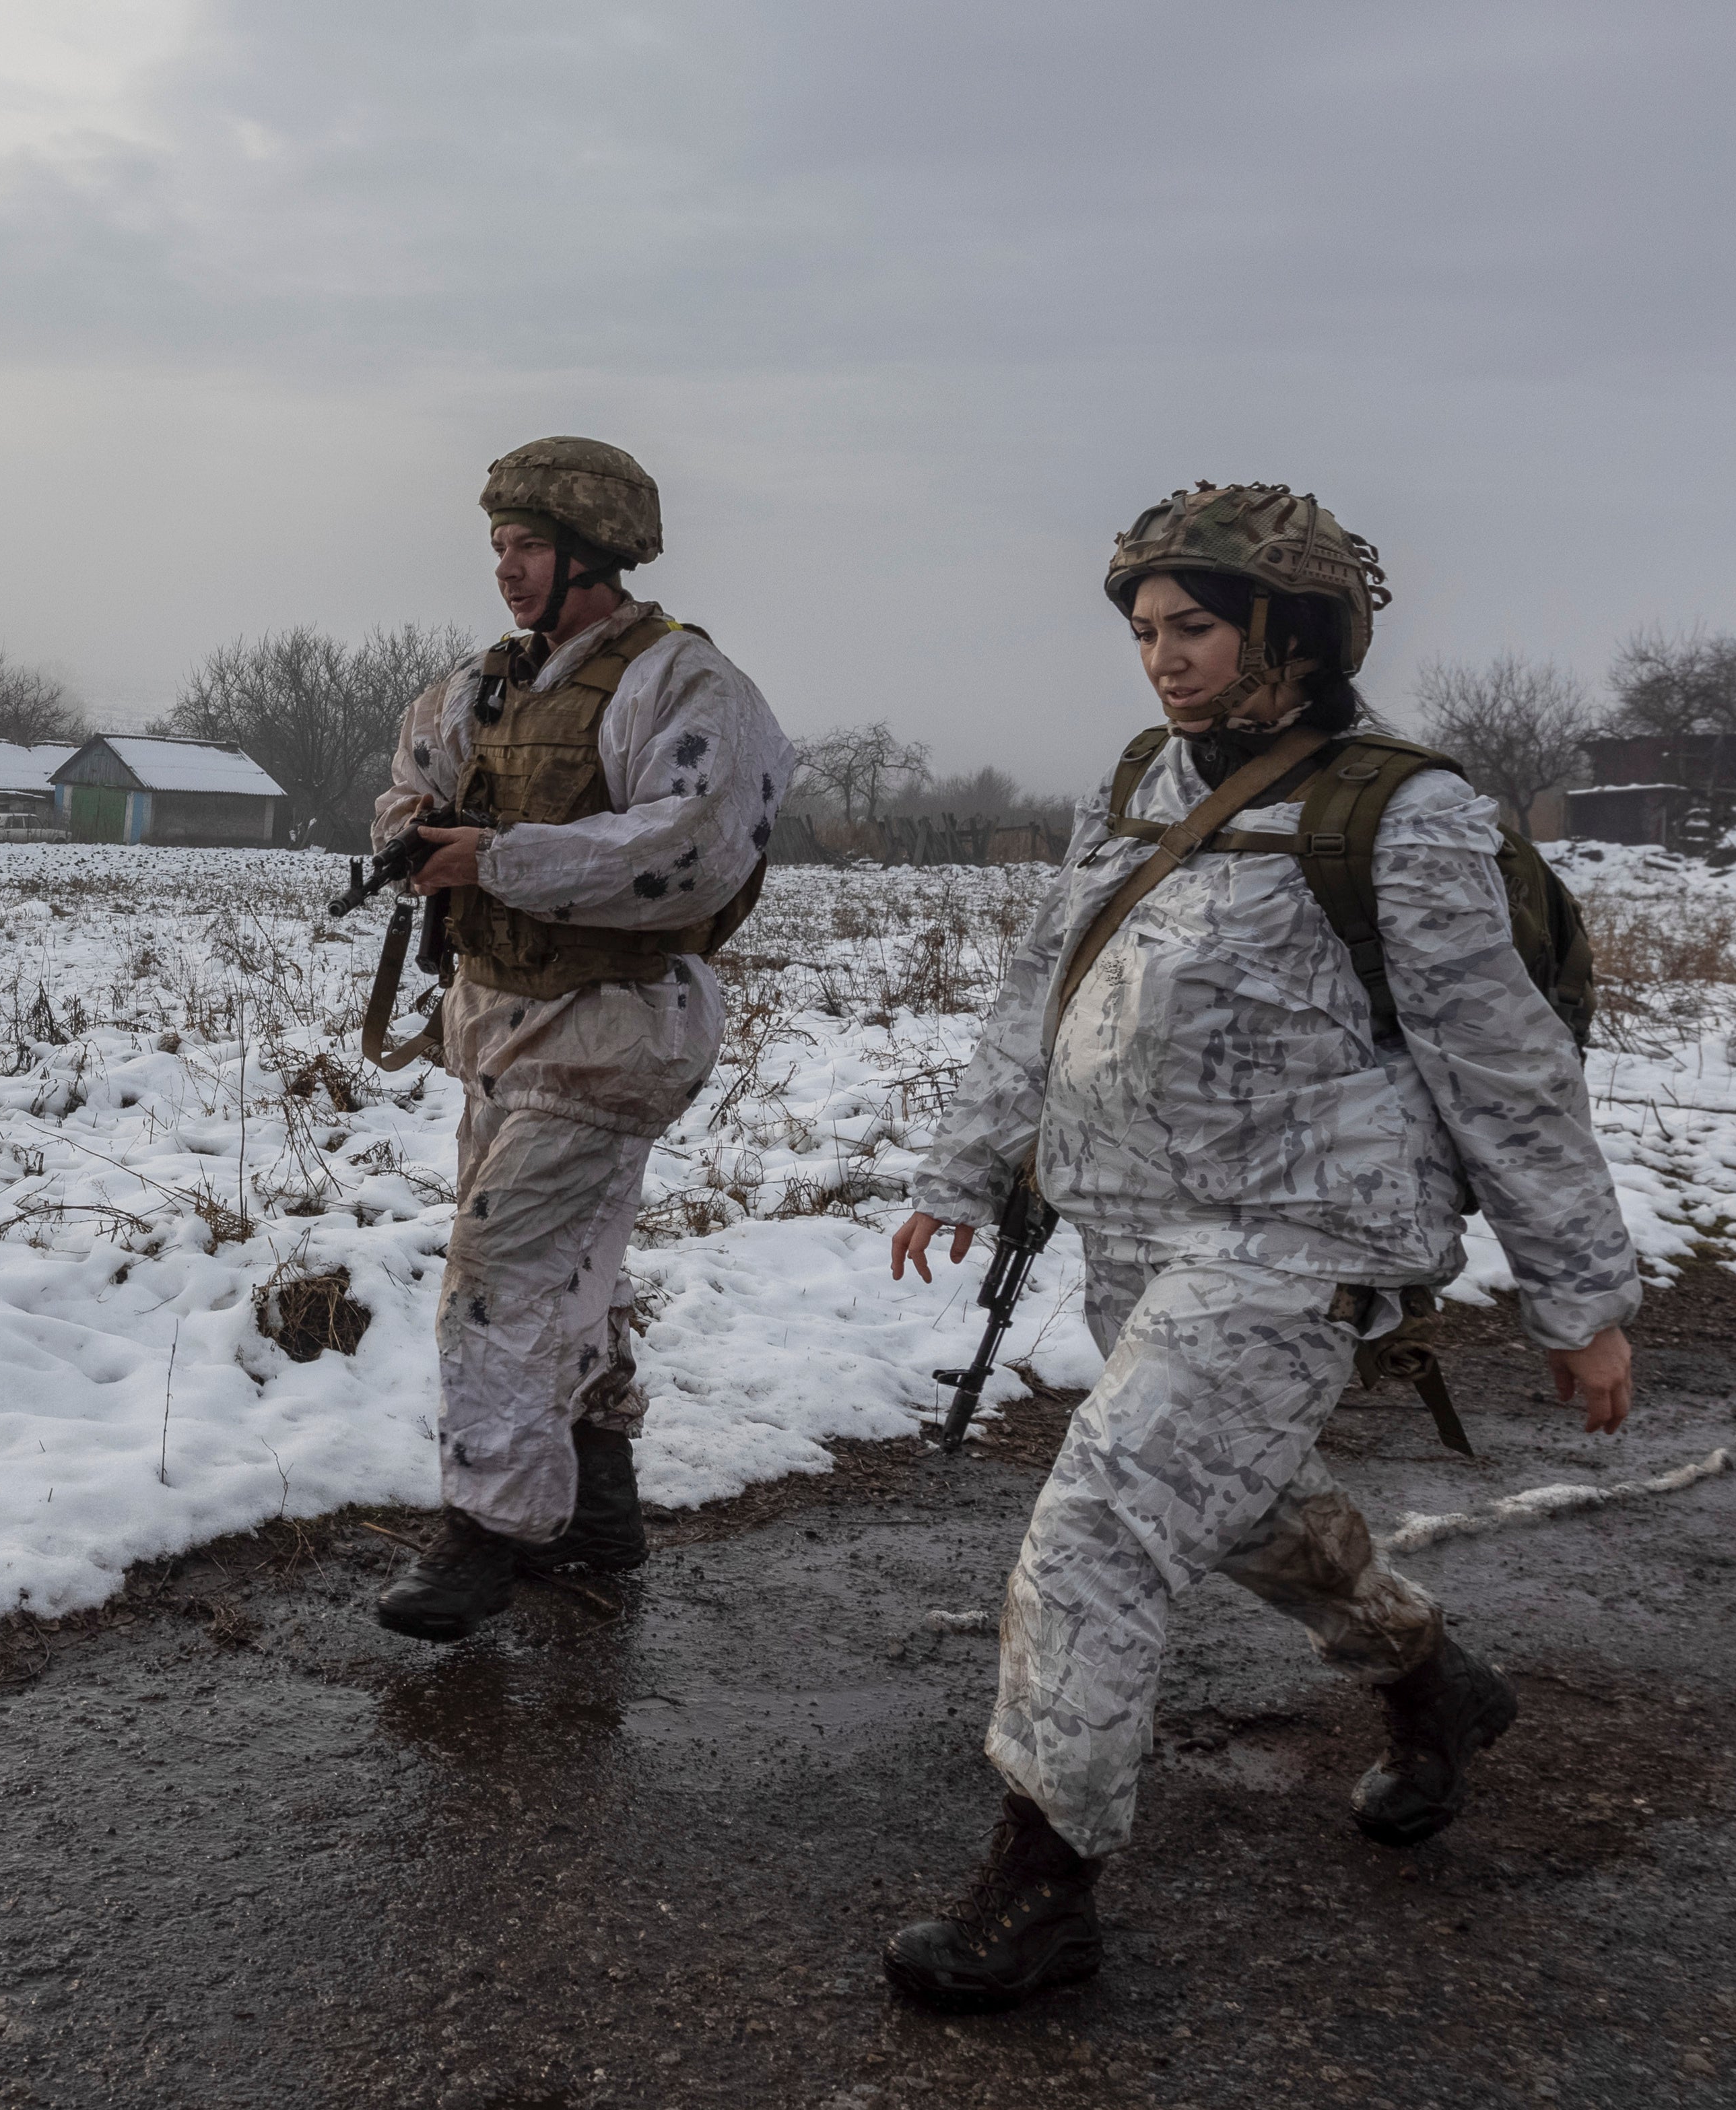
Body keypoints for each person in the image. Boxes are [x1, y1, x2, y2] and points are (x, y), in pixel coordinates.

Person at [878, 483, 1641, 2010]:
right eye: (1147, 631)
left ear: (1287, 631)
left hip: (1302, 1239)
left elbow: (1502, 1070)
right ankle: (1432, 1682)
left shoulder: (1401, 815)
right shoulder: (1136, 789)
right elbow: (1049, 981)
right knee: (1237, 1510)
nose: (1162, 658)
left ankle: (1043, 1883)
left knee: (1098, 1526)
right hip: (1133, 1227)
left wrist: (1578, 1297)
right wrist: (966, 1161)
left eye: (1196, 629)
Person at [368, 436, 797, 1642]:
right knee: (572, 1277)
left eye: (531, 547)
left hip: (613, 1029)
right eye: (499, 545)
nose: (507, 570)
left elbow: (687, 850)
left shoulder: (685, 685)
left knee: (499, 1275)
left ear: (596, 554)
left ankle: (489, 1529)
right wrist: (418, 829)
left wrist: (494, 857)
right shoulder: (488, 682)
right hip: (498, 1021)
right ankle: (598, 1503)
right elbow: (411, 776)